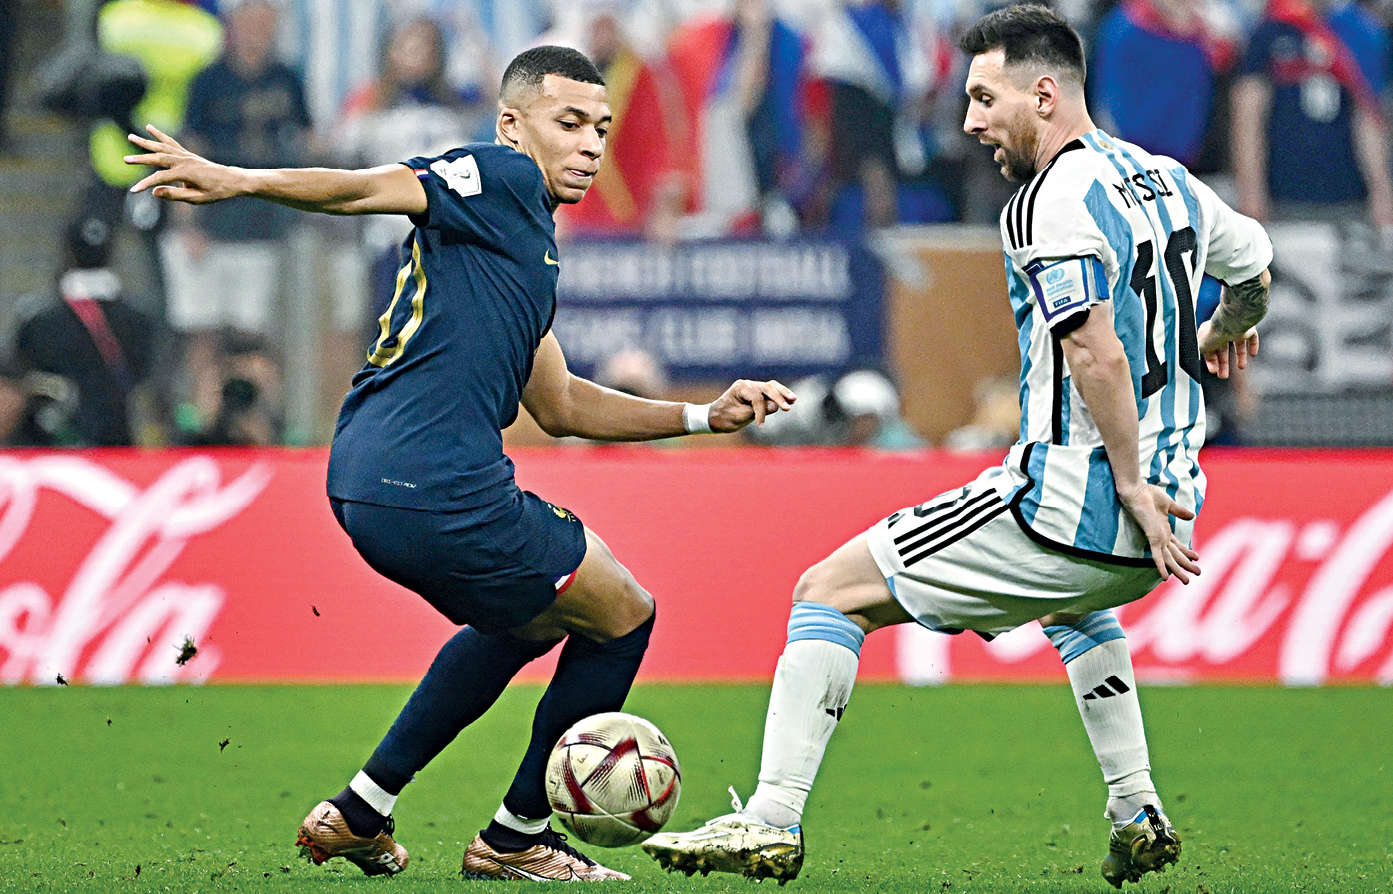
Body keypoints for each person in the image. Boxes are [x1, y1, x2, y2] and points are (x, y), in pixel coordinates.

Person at [125, 45, 795, 882]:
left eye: (600, 128)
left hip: (367, 478)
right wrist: (237, 179)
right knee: (623, 613)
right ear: (513, 126)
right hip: (433, 479)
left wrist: (700, 415)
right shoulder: (499, 177)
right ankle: (517, 839)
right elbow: (370, 188)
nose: (590, 143)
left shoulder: (520, 245)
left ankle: (360, 811)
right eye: (569, 123)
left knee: (529, 620)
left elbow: (560, 406)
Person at [642, 5, 1272, 889]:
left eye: (984, 97)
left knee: (828, 592)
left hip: (1075, 501)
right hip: (1171, 512)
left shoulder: (1048, 200)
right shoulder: (1167, 179)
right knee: (1075, 606)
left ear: (1043, 94)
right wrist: (1224, 328)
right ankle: (1135, 809)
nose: (970, 121)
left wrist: (1125, 479)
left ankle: (769, 819)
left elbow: (1092, 349)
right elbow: (1254, 265)